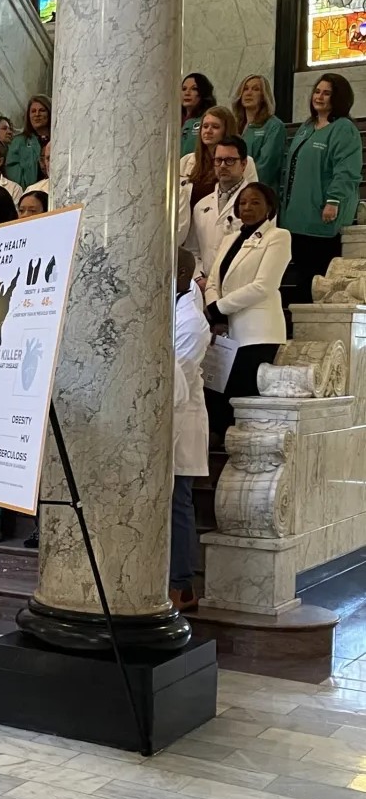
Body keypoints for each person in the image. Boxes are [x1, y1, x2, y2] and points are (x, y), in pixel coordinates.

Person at [204, 183, 291, 435]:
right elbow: (213, 282)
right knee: (217, 398)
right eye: (242, 203)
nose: (247, 207)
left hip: (257, 333)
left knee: (243, 397)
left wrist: (219, 308)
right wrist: (215, 310)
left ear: (269, 207)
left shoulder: (278, 236)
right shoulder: (229, 239)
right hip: (225, 331)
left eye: (255, 202)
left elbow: (264, 285)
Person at [279, 73, 363, 304]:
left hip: (322, 219)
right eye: (317, 91)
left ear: (339, 97)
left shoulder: (343, 128)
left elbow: (346, 170)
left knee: (316, 278)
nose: (319, 97)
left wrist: (333, 200)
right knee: (301, 277)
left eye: (327, 93)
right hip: (297, 218)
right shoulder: (307, 127)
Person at [172, 249, 209, 613]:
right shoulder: (166, 307)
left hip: (180, 420)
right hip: (163, 422)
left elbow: (175, 382)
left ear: (183, 274)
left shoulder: (192, 323)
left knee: (177, 502)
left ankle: (181, 586)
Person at [183, 135, 251, 277]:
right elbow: (192, 250)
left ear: (243, 164)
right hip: (206, 284)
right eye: (218, 160)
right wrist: (199, 278)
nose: (223, 166)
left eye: (230, 160)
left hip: (242, 283)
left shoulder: (259, 204)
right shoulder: (201, 205)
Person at [180, 106, 257, 213]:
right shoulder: (186, 161)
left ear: (226, 130)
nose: (208, 131)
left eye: (215, 127)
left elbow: (252, 199)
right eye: (205, 126)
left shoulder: (245, 162)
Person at [233, 74, 287, 191]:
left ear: (263, 96)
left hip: (259, 191)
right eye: (245, 89)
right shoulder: (235, 125)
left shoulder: (274, 126)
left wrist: (241, 186)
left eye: (255, 89)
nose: (249, 93)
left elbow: (266, 167)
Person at [8, 95, 51, 189]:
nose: (37, 114)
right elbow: (13, 174)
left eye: (42, 110)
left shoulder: (59, 140)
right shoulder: (18, 142)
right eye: (33, 111)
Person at [181, 72, 216, 156]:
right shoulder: (174, 121)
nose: (187, 93)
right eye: (184, 89)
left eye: (194, 89)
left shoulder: (208, 120)